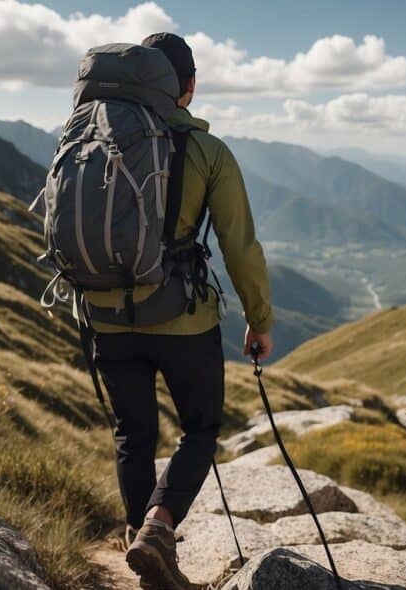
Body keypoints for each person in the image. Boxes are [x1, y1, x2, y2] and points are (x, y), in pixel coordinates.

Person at [84, 32, 274, 589]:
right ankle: (158, 530)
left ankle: (144, 547)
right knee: (199, 428)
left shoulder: (86, 139)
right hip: (182, 319)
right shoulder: (206, 150)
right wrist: (258, 319)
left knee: (133, 434)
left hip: (106, 317)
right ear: (186, 88)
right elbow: (240, 245)